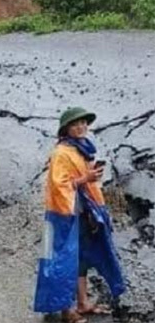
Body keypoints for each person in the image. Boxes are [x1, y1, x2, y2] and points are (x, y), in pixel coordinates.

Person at [34, 107, 126, 323]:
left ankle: (82, 303)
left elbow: (81, 180)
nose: (81, 127)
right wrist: (86, 178)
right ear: (66, 129)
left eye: (84, 123)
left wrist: (90, 177)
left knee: (81, 258)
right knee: (60, 261)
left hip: (82, 212)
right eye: (76, 124)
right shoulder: (61, 153)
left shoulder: (80, 148)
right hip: (61, 216)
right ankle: (66, 311)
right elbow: (59, 186)